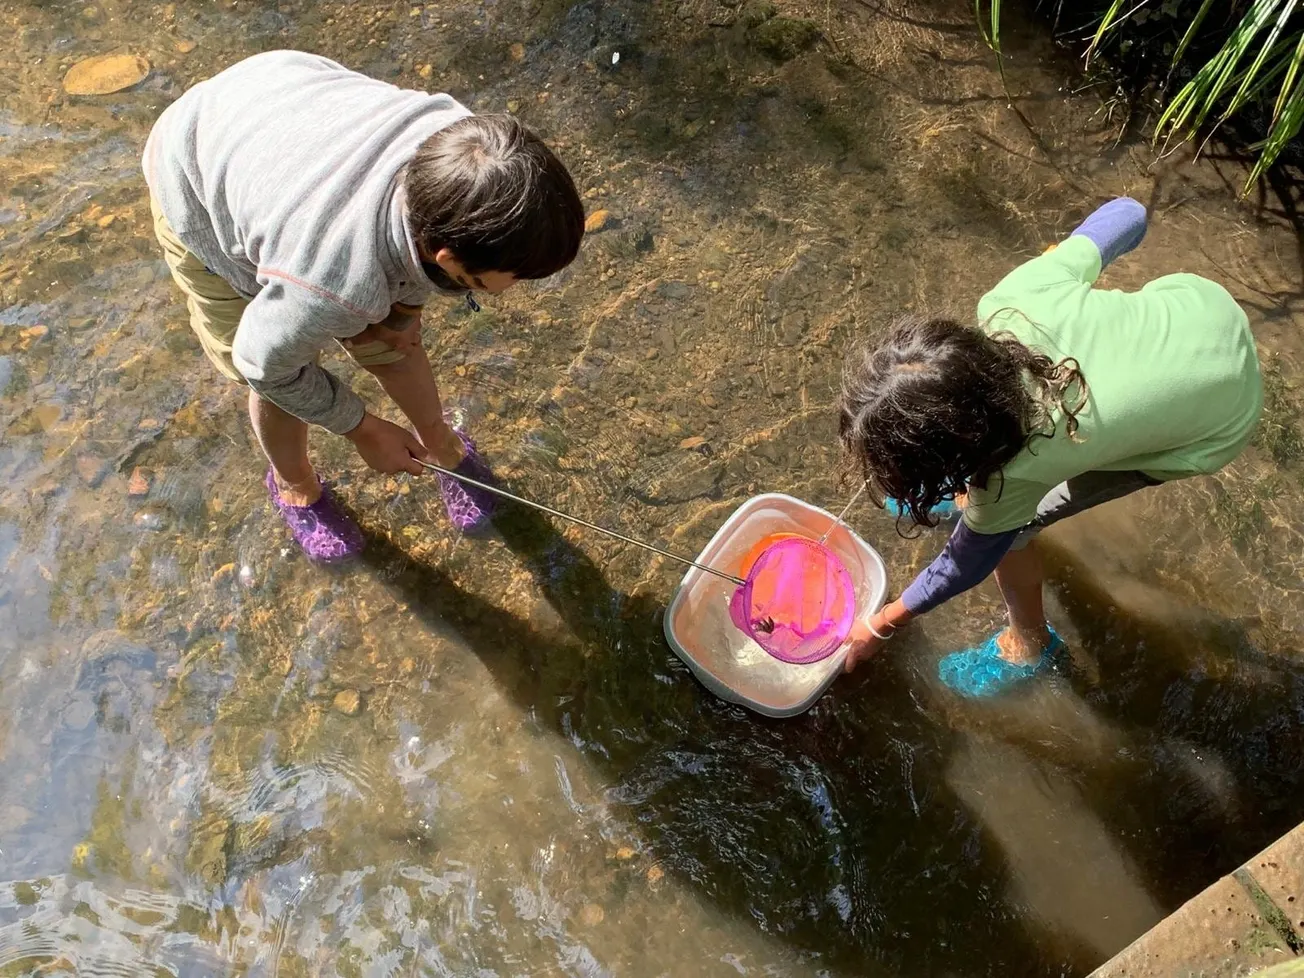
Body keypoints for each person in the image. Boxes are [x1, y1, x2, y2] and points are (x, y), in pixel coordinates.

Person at [143, 51, 584, 560]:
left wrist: (398, 318)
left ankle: (443, 446)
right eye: (515, 277)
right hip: (195, 166)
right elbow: (264, 365)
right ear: (449, 257)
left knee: (393, 335)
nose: (520, 287)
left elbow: (402, 303)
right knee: (285, 370)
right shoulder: (332, 282)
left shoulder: (474, 149)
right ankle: (295, 484)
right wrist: (362, 428)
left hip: (282, 98)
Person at [838, 197, 1263, 696]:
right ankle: (967, 506)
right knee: (999, 512)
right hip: (1204, 308)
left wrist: (884, 621)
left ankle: (1031, 644)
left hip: (1215, 426)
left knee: (1016, 528)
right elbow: (1130, 213)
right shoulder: (1013, 300)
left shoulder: (1009, 479)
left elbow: (964, 563)